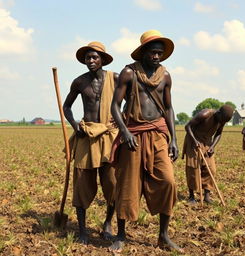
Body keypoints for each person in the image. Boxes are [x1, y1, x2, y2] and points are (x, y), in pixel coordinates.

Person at [109, 30, 183, 253]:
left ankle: (163, 236)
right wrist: (125, 132)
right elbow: (115, 106)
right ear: (143, 52)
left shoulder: (166, 76)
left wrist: (174, 139)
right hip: (133, 134)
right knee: (127, 186)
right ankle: (121, 235)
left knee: (168, 181)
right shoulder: (129, 73)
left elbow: (169, 108)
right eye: (153, 52)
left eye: (160, 53)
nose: (157, 57)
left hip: (158, 134)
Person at [63, 41, 119, 244]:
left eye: (95, 57)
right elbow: (66, 106)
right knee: (82, 184)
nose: (91, 60)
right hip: (86, 136)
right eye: (88, 58)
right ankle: (82, 230)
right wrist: (74, 125)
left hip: (108, 136)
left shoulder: (116, 78)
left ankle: (108, 223)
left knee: (112, 182)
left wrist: (121, 118)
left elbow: (131, 98)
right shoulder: (79, 82)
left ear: (103, 59)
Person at [182, 105, 234, 204]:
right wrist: (195, 140)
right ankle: (191, 196)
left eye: (224, 122)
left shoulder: (222, 120)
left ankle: (206, 196)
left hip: (207, 143)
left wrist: (213, 146)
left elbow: (218, 133)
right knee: (193, 169)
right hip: (193, 140)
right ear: (218, 113)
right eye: (222, 120)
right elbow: (187, 126)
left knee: (211, 168)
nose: (222, 122)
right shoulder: (205, 114)